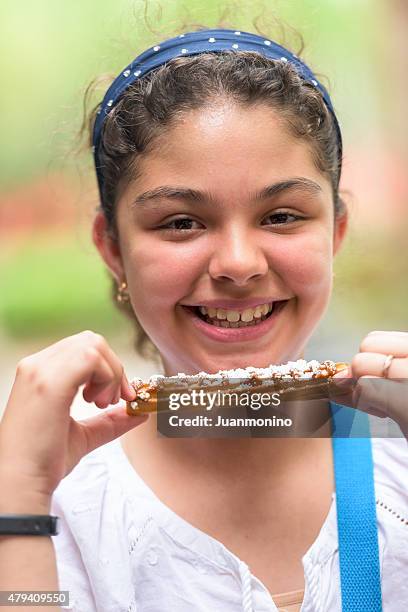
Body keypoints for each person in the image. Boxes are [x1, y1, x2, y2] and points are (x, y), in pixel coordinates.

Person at [1, 25, 408, 612]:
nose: (239, 264)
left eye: (284, 215)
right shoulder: (58, 510)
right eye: (182, 223)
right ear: (112, 247)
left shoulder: (396, 472)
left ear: (335, 232)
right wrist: (19, 498)